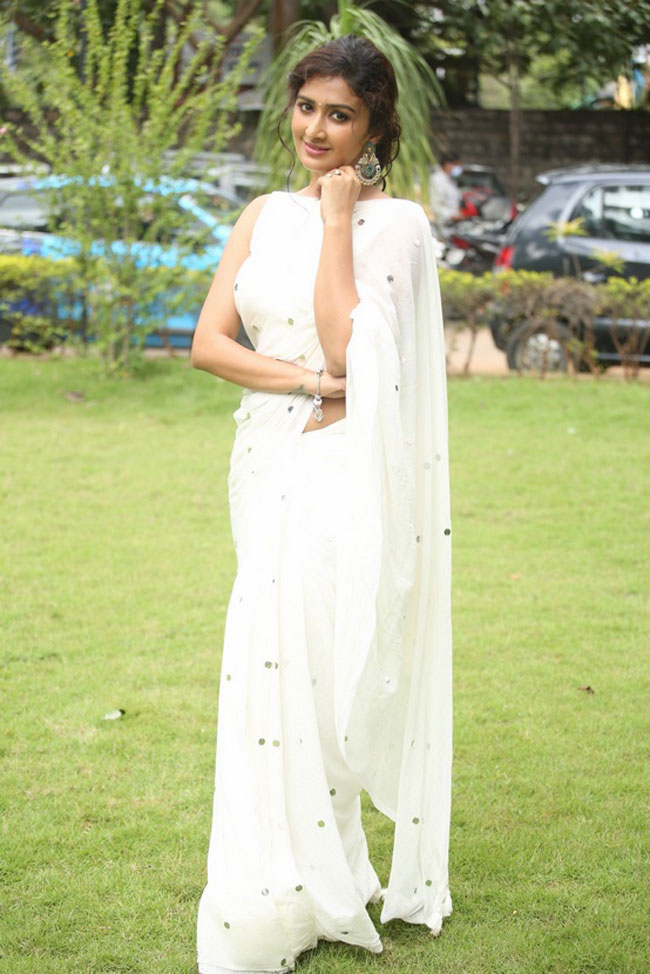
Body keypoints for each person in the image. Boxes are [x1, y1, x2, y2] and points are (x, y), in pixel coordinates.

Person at [191, 34, 452, 974]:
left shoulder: (400, 226)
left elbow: (352, 354)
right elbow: (209, 344)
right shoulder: (262, 214)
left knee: (309, 665)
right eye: (307, 107)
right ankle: (303, 866)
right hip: (264, 457)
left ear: (375, 127)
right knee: (269, 662)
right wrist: (301, 380)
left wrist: (339, 220)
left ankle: (309, 881)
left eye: (341, 115)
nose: (317, 129)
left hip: (338, 470)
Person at [429, 151, 463, 225]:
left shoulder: (451, 180)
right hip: (441, 225)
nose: (458, 168)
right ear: (447, 164)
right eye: (456, 165)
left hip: (452, 224)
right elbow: (435, 205)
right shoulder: (437, 180)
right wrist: (451, 215)